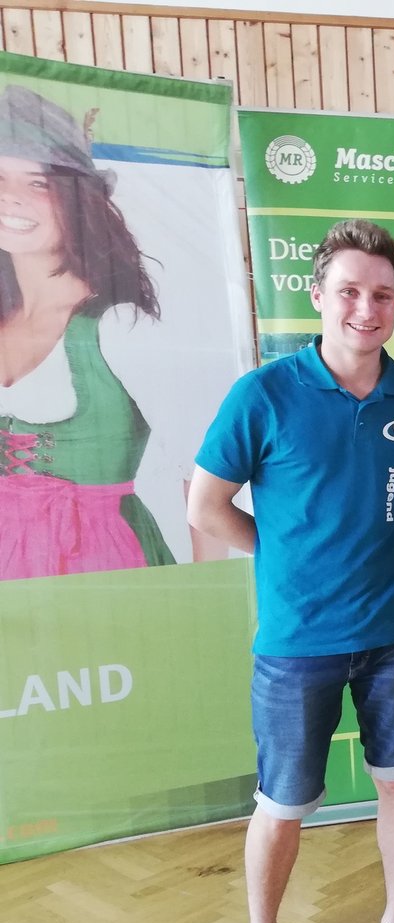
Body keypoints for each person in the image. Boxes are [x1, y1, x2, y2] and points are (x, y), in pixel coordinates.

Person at [188, 219, 394, 923]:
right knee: (284, 801)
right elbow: (205, 506)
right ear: (318, 295)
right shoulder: (262, 394)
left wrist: (377, 520)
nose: (367, 308)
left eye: (382, 294)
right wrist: (284, 553)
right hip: (297, 642)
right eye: (350, 291)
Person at [0, 84, 172, 580]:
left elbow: (197, 474)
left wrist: (203, 599)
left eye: (38, 182)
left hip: (99, 561)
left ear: (78, 199)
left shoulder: (117, 325)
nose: (10, 197)